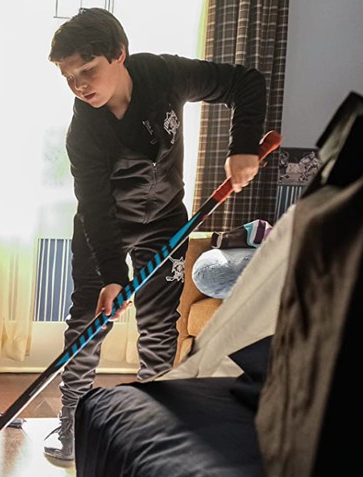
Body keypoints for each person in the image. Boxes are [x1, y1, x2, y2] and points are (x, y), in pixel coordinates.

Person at [43, 8, 266, 462]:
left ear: (119, 55)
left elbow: (246, 81)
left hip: (165, 222)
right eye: (69, 78)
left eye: (88, 70)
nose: (80, 85)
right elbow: (96, 208)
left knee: (159, 331)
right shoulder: (82, 132)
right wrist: (111, 274)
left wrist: (243, 146)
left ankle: (149, 427)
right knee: (88, 325)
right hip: (101, 229)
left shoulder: (164, 74)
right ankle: (70, 423)